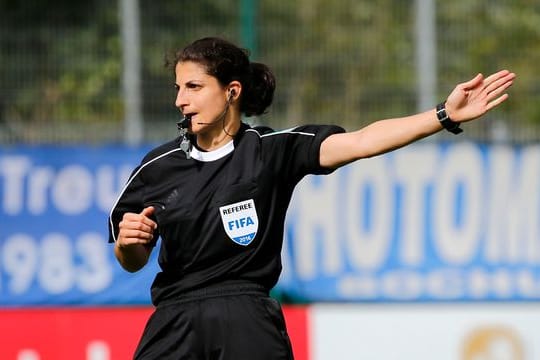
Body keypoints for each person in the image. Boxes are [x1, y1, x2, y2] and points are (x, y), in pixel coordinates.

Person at [108, 37, 515, 359]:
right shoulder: (156, 167)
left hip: (247, 316)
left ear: (232, 91)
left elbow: (361, 141)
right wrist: (130, 245)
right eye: (178, 88)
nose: (181, 99)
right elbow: (132, 262)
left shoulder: (273, 149)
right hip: (175, 318)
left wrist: (443, 114)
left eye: (194, 87)